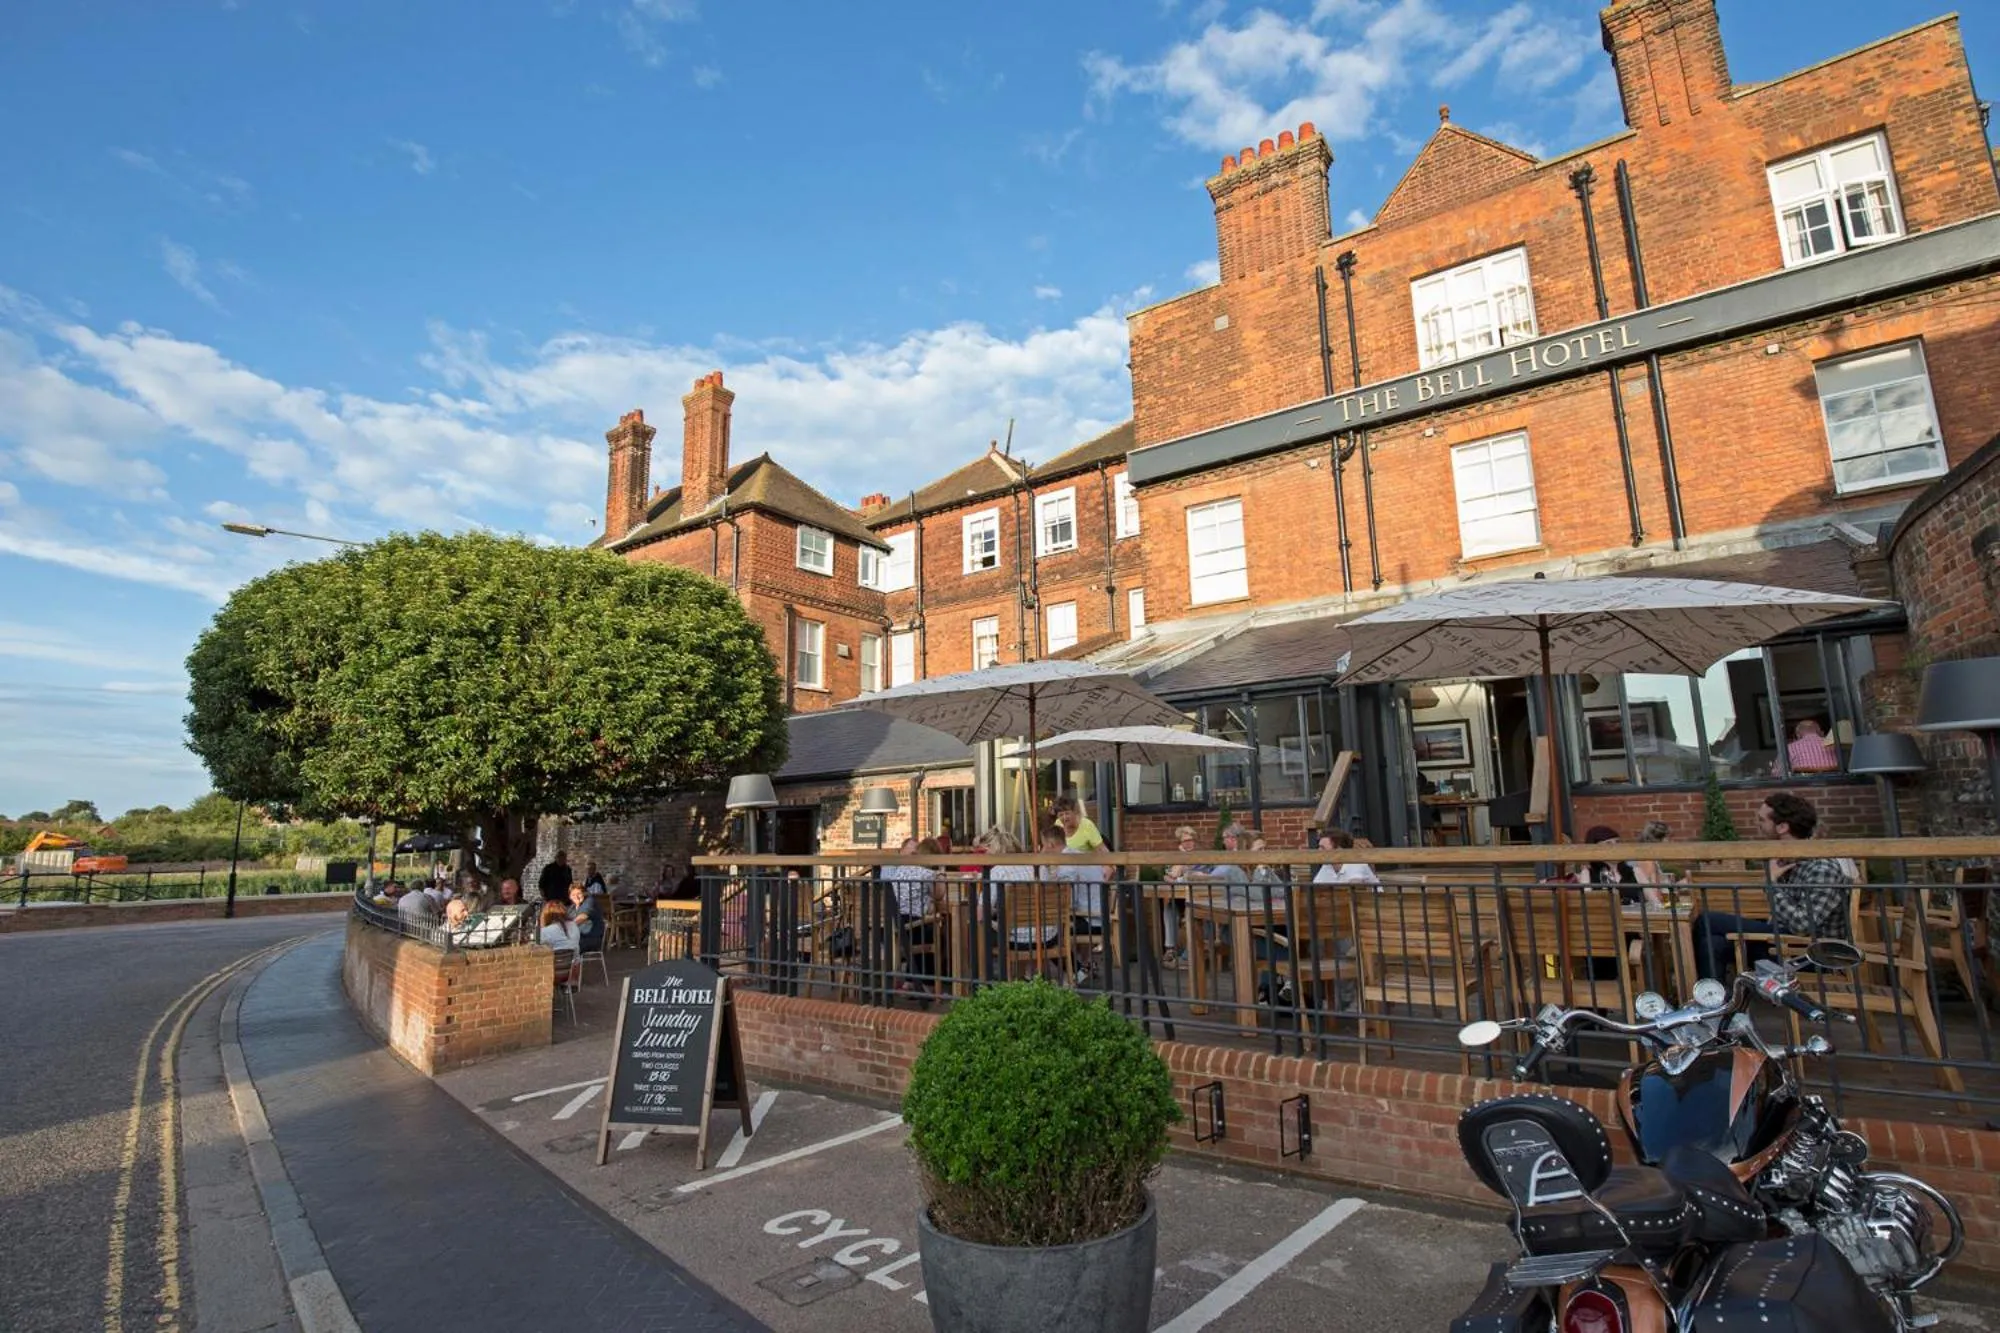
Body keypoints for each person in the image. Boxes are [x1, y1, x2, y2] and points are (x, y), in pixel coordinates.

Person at [1694, 792, 1853, 980]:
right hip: (1781, 945)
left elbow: (1802, 925)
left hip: (1809, 956)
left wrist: (1771, 884)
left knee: (1707, 920)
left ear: (1782, 827)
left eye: (1761, 820)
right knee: (1713, 943)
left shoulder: (1822, 868)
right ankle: (1715, 1004)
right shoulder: (1785, 861)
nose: (1758, 825)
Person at [1581, 825, 1645, 905]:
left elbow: (1655, 902)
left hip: (1636, 916)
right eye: (1608, 843)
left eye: (1617, 842)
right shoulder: (1588, 874)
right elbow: (1587, 904)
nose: (1615, 847)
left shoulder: (1636, 871)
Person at [1311, 830, 1379, 886]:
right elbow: (1316, 889)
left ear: (1339, 850)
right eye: (1319, 847)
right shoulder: (1327, 866)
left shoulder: (1356, 864)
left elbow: (1353, 893)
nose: (1318, 851)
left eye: (1323, 848)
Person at [568, 882, 604, 955]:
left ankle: (573, 965)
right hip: (579, 938)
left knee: (567, 946)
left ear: (584, 893)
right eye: (573, 895)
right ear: (570, 897)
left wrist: (567, 927)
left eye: (579, 893)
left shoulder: (589, 901)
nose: (576, 897)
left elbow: (582, 917)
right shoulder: (571, 908)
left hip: (591, 938)